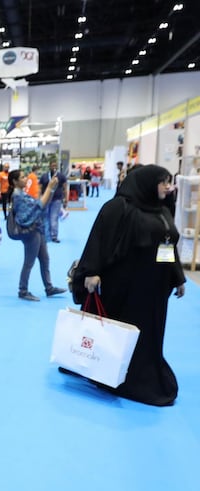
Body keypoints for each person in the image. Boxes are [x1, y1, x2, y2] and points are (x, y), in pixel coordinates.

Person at [71, 165, 185, 406]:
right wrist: (91, 272)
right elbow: (99, 239)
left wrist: (178, 277)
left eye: (168, 182)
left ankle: (142, 374)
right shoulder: (118, 208)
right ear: (146, 183)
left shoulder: (162, 210)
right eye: (163, 182)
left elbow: (168, 246)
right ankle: (113, 372)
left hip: (154, 289)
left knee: (149, 332)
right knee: (122, 330)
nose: (168, 186)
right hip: (124, 286)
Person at [8, 170, 67, 301]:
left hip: (37, 230)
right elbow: (39, 205)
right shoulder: (18, 196)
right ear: (15, 181)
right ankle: (23, 290)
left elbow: (40, 204)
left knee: (45, 259)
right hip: (30, 233)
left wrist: (51, 190)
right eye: (22, 177)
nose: (26, 179)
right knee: (29, 262)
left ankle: (49, 287)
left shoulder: (22, 194)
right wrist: (50, 188)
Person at [38, 161, 68, 242]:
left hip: (57, 200)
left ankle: (54, 236)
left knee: (54, 218)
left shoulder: (61, 176)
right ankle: (46, 236)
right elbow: (40, 188)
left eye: (55, 165)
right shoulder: (44, 176)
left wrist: (66, 199)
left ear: (57, 167)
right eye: (52, 165)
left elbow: (65, 188)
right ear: (49, 166)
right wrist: (39, 198)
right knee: (45, 218)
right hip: (46, 200)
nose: (54, 167)